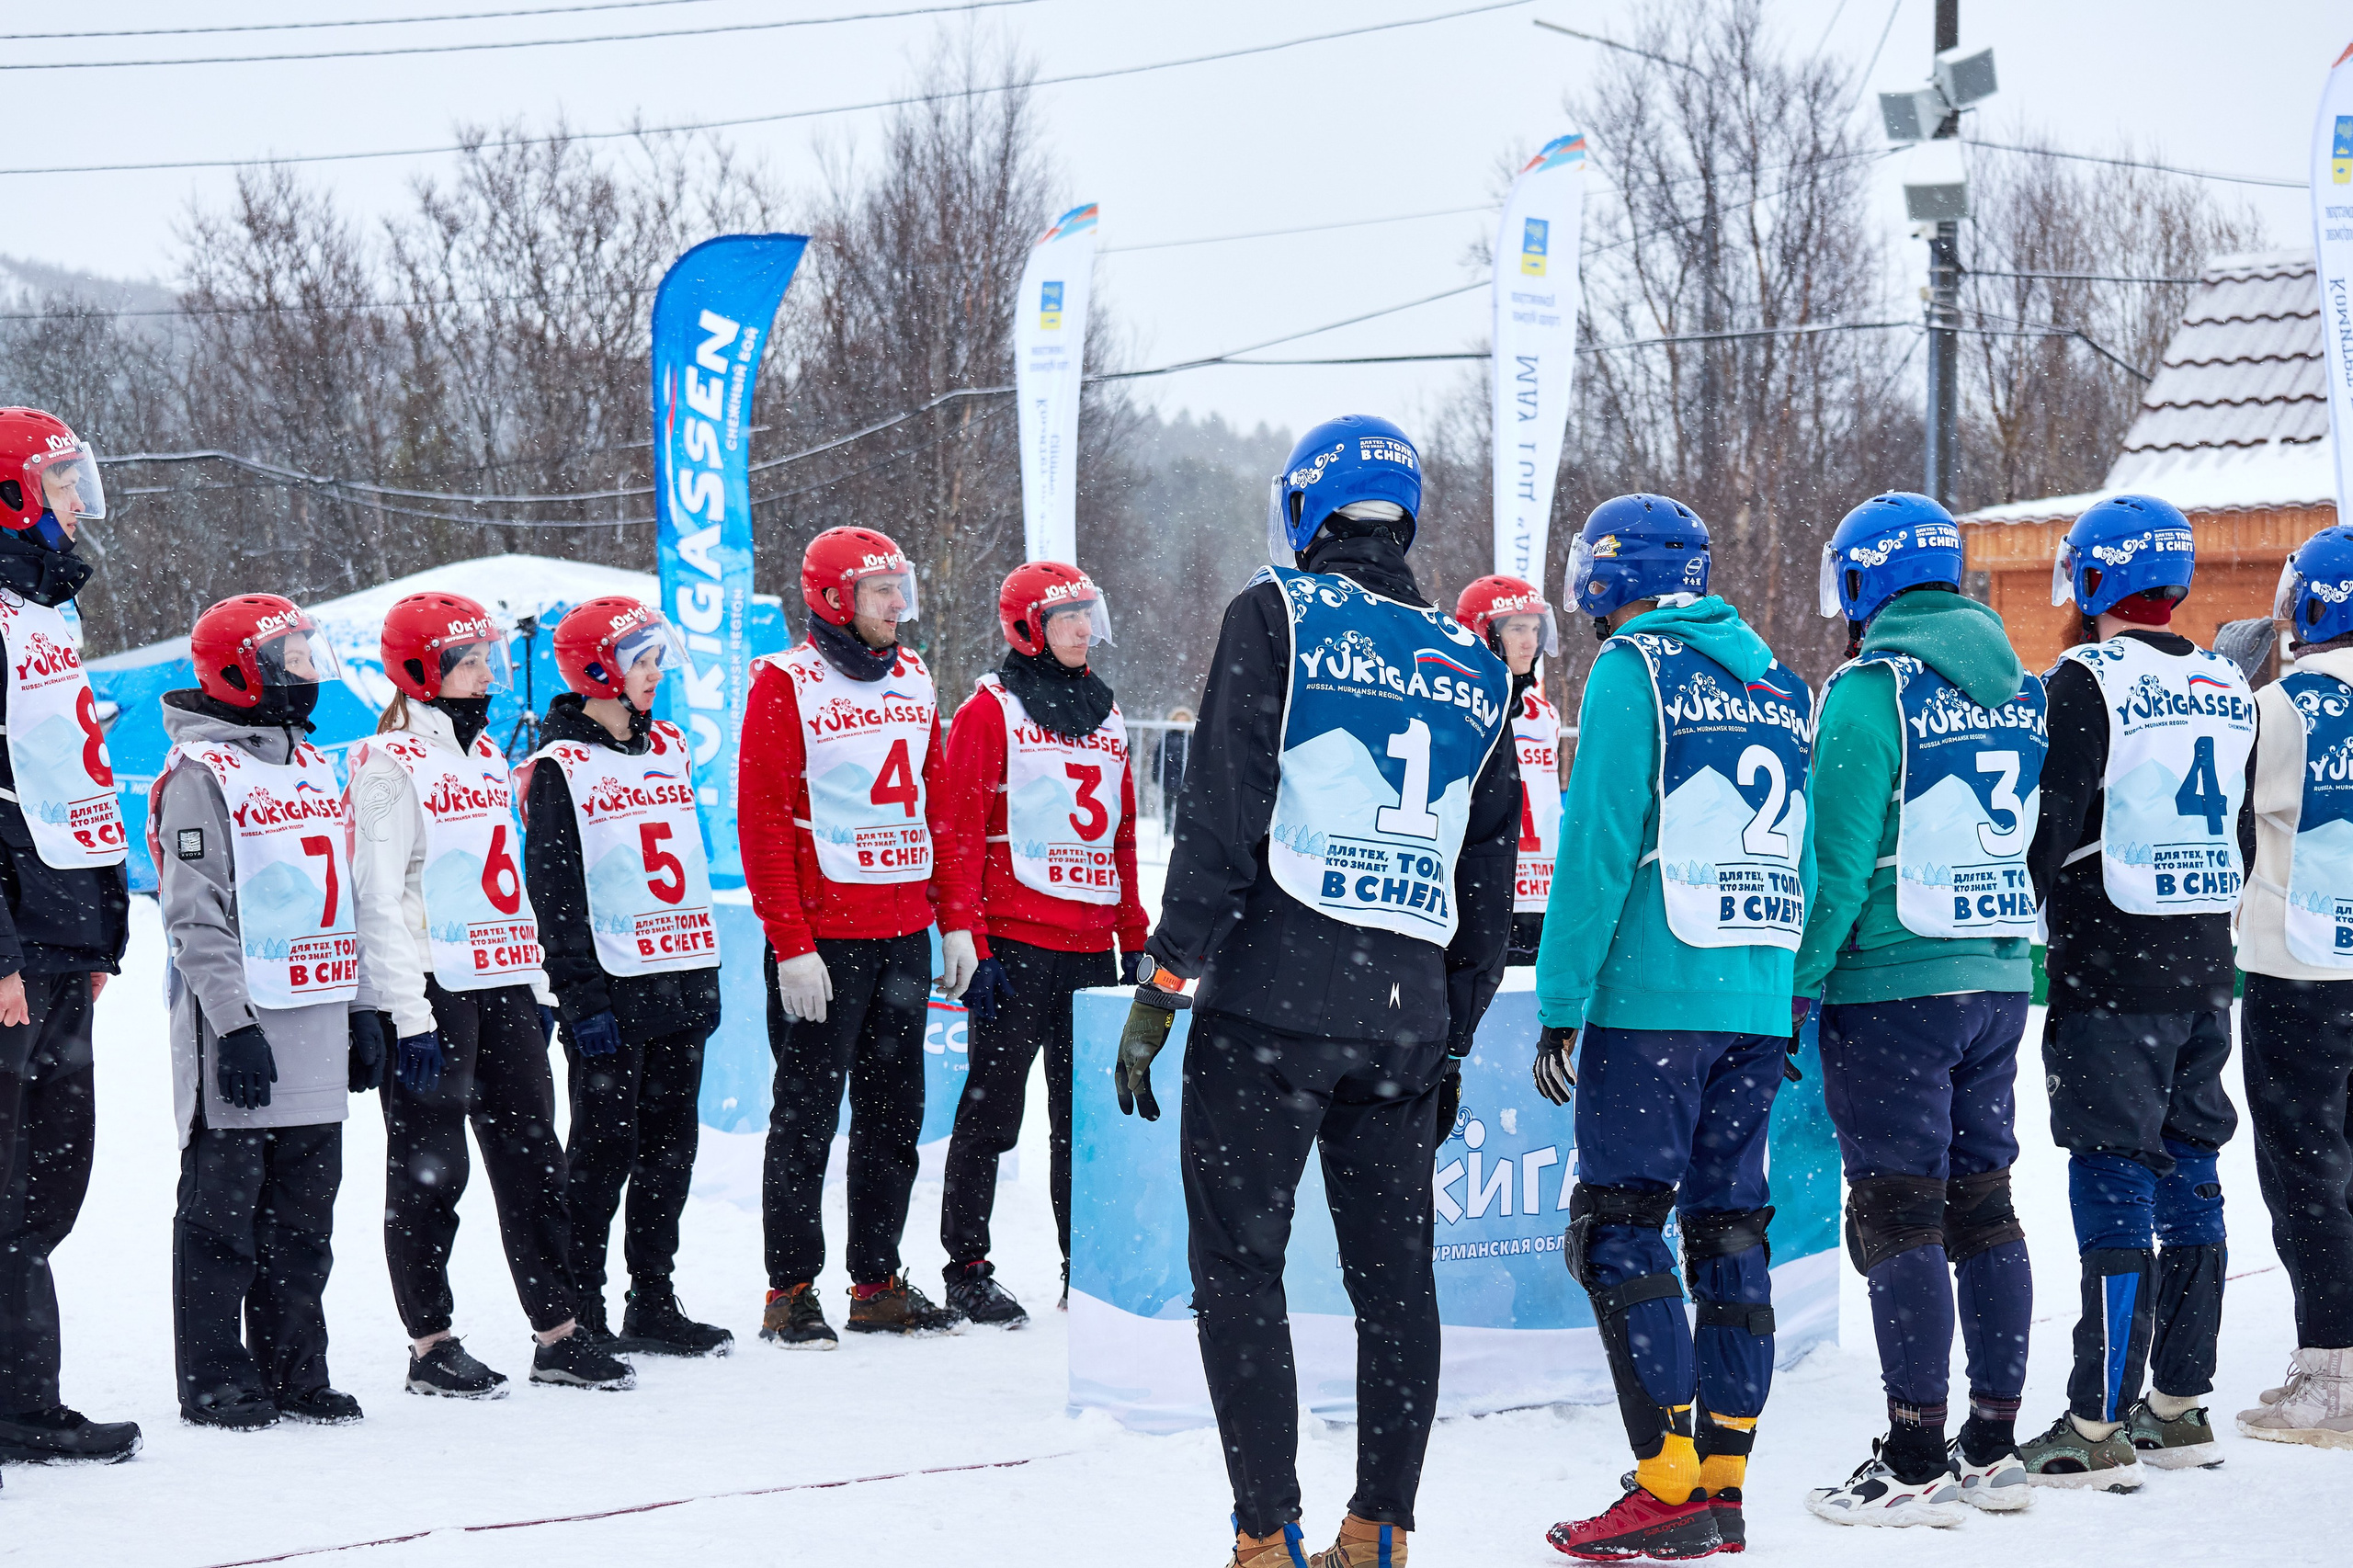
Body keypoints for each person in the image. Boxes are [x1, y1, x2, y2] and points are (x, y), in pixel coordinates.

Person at [1117, 415, 1518, 1568]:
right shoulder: (1479, 663)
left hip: (1268, 1006)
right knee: (1395, 1286)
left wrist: (1164, 974)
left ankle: (1266, 1534)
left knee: (1241, 1270)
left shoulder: (1277, 611)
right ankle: (1379, 1525)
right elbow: (1484, 883)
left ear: (1309, 509)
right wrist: (1450, 1032)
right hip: (1402, 1020)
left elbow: (1222, 808)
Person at [1534, 493, 1813, 1561]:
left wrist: (1563, 999)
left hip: (1656, 993)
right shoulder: (1776, 678)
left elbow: (1596, 846)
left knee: (1616, 1228)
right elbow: (1816, 853)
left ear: (1609, 573)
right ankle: (1724, 1479)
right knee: (1728, 1229)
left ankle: (1665, 1481)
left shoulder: (1631, 670)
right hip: (1755, 992)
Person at [1792, 494, 2042, 1525]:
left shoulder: (1869, 689)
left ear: (1862, 582)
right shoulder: (2017, 686)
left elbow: (1838, 867)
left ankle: (1911, 1452)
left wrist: (1797, 981)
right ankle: (1990, 1439)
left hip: (1893, 987)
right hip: (1994, 976)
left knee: (1898, 1209)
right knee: (1983, 1203)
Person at [349, 590, 632, 1396]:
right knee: (429, 1172)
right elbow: (376, 899)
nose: (485, 674)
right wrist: (406, 1016)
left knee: (534, 1160)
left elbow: (507, 887)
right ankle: (430, 1343)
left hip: (504, 981)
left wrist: (539, 984)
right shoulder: (387, 765)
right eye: (466, 661)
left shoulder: (482, 759)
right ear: (420, 669)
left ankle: (559, 1331)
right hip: (432, 991)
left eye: (485, 658)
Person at [2019, 494, 2249, 1484]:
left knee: (2111, 1172)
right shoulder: (2227, 680)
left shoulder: (2084, 678)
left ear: (2095, 578)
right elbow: (2234, 829)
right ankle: (2180, 1396)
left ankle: (2098, 1415)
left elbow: (2050, 818)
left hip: (2112, 969)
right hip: (2205, 966)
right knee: (2190, 1167)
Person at [153, 595, 384, 1431]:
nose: (306, 670)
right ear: (243, 667)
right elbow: (193, 915)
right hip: (244, 1033)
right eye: (289, 655)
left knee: (304, 1219)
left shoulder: (318, 768)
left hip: (318, 1019)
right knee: (223, 1217)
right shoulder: (199, 776)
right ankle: (215, 1376)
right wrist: (235, 1025)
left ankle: (297, 1369)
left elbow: (346, 899)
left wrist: (363, 1007)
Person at [739, 527, 963, 1346]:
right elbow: (762, 824)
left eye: (901, 588)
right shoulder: (784, 682)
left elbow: (937, 808)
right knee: (805, 1117)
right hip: (824, 945)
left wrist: (956, 922)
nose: (899, 605)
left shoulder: (913, 676)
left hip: (902, 933)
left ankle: (876, 1281)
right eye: (882, 592)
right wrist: (790, 941)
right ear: (836, 599)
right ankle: (790, 1289)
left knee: (893, 1115)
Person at [933, 562, 1146, 1325]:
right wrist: (971, 938)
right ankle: (967, 1266)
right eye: (1067, 617)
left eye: (1089, 613)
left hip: (1092, 951)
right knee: (991, 1114)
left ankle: (1082, 1266)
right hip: (1017, 947)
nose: (1085, 629)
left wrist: (1135, 938)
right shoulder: (990, 711)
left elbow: (1122, 839)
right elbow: (955, 831)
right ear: (1028, 628)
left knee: (1081, 1125)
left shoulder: (1110, 713)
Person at [517, 597, 728, 1358]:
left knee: (671, 1153)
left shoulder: (668, 745)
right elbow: (555, 892)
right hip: (612, 990)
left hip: (677, 979)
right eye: (641, 661)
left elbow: (687, 865)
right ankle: (584, 1306)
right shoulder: (559, 768)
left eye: (655, 659)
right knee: (603, 1153)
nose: (655, 674)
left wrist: (704, 976)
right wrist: (579, 997)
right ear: (598, 669)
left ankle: (653, 1297)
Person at [0, 407, 138, 1472]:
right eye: (56, 476)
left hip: (61, 933)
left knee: (53, 1180)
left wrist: (100, 931)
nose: (75, 494)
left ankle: (23, 1391)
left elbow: (73, 775)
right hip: (11, 945)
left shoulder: (48, 610)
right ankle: (24, 1404)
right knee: (6, 1189)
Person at [2231, 524, 2353, 1447]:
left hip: (2298, 968)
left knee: (2306, 1171)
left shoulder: (2282, 707)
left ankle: (2330, 1370)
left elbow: (2229, 813)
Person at [1454, 574, 1562, 964]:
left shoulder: (1543, 715)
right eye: (1517, 628)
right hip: (1483, 893)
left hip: (1543, 897)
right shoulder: (1459, 709)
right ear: (1484, 632)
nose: (1530, 642)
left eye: (1535, 629)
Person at [1156, 707, 1193, 837]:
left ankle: (1180, 829)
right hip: (1169, 776)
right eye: (1179, 719)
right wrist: (1157, 774)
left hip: (1185, 778)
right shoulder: (1167, 738)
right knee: (1168, 804)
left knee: (1183, 806)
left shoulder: (1191, 739)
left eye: (1184, 720)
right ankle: (1167, 828)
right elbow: (1158, 757)